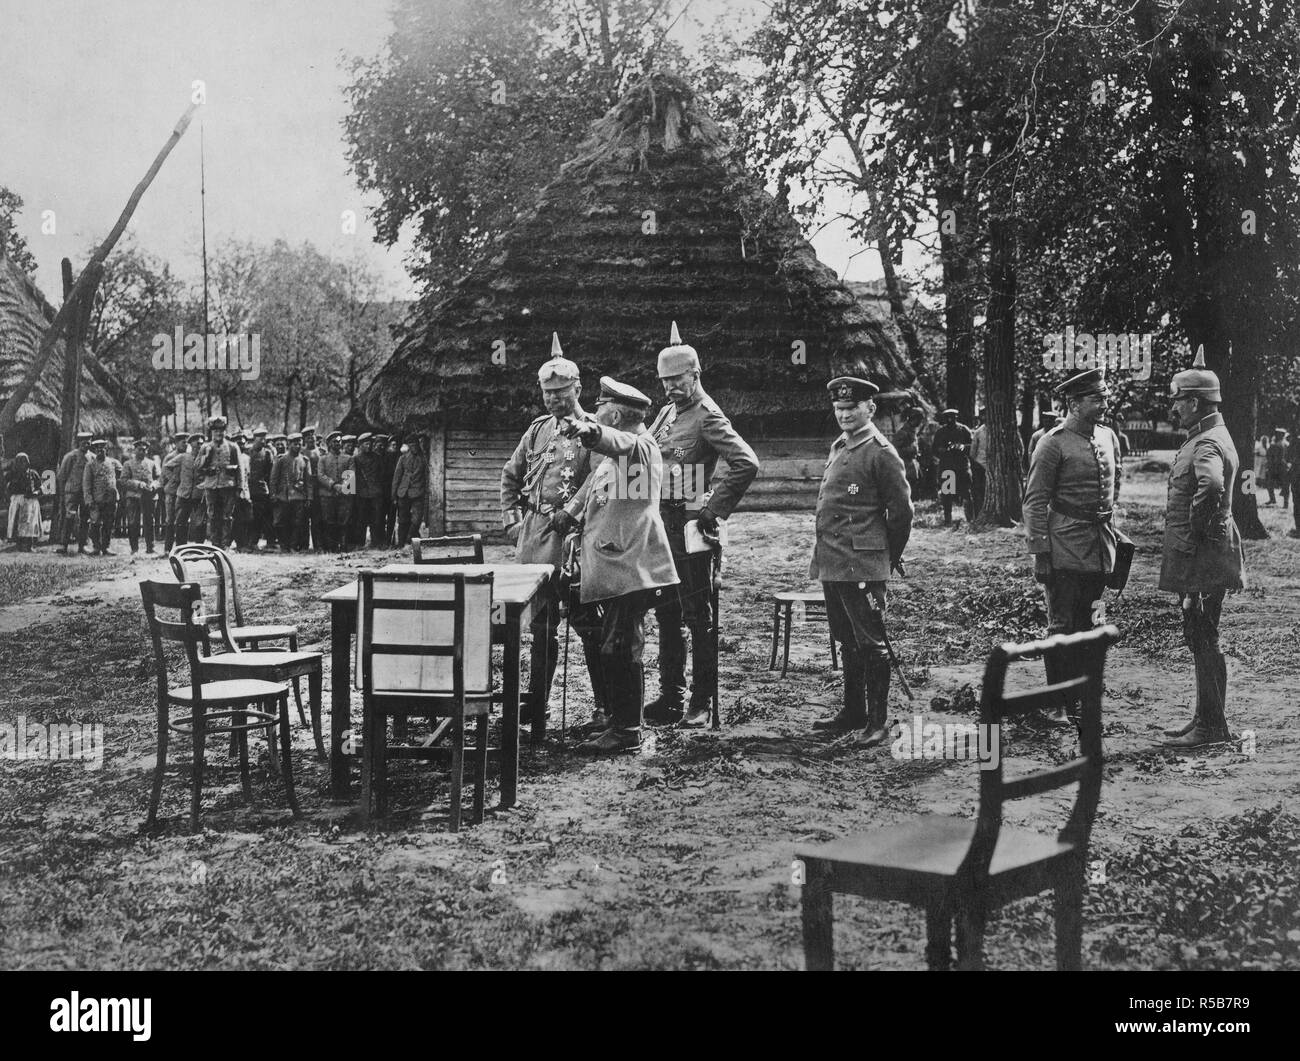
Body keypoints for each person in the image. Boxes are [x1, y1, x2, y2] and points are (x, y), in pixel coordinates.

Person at [644, 323, 760, 727]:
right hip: (662, 527)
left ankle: (701, 702)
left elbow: (746, 462)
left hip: (692, 527)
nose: (672, 387)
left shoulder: (708, 415)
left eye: (678, 379)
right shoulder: (664, 414)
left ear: (696, 375)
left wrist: (713, 510)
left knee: (698, 617)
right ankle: (670, 697)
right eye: (665, 381)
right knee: (666, 614)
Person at [557, 376, 680, 755]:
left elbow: (616, 440)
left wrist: (589, 431)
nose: (596, 413)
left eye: (600, 410)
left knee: (621, 647)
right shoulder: (618, 459)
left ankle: (627, 731)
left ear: (614, 413)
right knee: (615, 645)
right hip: (617, 565)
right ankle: (620, 722)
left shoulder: (639, 447)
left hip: (633, 567)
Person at [500, 337, 603, 728]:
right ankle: (536, 702)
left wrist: (573, 511)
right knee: (540, 629)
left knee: (589, 626)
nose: (554, 401)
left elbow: (598, 476)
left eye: (561, 393)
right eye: (548, 394)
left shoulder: (594, 429)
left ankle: (603, 706)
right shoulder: (537, 431)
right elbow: (510, 475)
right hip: (536, 537)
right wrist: (512, 521)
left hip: (576, 541)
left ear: (578, 389)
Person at [808, 377, 913, 745]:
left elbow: (901, 512)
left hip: (862, 564)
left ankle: (878, 723)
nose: (844, 414)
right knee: (846, 638)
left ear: (870, 408)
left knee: (870, 642)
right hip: (833, 561)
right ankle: (852, 712)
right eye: (839, 409)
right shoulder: (839, 446)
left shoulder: (881, 451)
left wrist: (885, 557)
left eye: (852, 408)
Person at [1022, 369, 1123, 726]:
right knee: (1061, 625)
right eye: (1096, 399)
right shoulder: (1053, 443)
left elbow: (1116, 485)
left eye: (1105, 397)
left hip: (1099, 548)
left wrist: (1110, 530)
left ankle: (1079, 699)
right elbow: (1034, 501)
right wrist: (1041, 552)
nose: (1104, 404)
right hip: (1063, 547)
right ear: (1074, 404)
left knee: (1090, 624)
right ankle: (1055, 704)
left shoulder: (1110, 437)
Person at [1161, 350, 1244, 748]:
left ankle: (1211, 727)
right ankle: (1205, 718)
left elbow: (1210, 488)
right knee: (1201, 633)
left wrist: (1193, 532)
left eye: (1178, 401)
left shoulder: (1207, 442)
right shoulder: (1210, 435)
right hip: (1209, 553)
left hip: (1203, 556)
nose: (1174, 409)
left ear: (1194, 402)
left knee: (1203, 633)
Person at [196, 415, 241, 549]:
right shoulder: (205, 447)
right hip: (211, 486)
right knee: (213, 516)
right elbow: (197, 466)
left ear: (225, 431)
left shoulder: (233, 447)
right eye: (215, 431)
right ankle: (215, 544)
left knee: (227, 516)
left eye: (221, 430)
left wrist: (240, 488)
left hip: (228, 486)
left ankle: (225, 544)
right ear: (211, 432)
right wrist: (206, 456)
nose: (218, 433)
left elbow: (240, 469)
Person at [933, 408, 973, 525]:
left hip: (962, 467)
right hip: (947, 467)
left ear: (956, 417)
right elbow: (934, 449)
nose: (950, 419)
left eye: (953, 417)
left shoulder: (964, 430)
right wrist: (944, 450)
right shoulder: (941, 432)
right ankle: (948, 520)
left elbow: (972, 445)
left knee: (966, 493)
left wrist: (962, 447)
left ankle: (970, 519)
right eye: (948, 417)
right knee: (947, 495)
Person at [82, 439, 122, 556]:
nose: (100, 451)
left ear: (106, 450)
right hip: (96, 500)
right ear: (95, 450)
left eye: (103, 448)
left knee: (108, 523)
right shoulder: (90, 465)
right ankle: (96, 547)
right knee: (95, 524)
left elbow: (121, 474)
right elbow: (86, 484)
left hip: (110, 499)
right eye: (98, 449)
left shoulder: (113, 463)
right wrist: (89, 499)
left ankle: (106, 547)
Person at [55, 431, 93, 555]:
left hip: (86, 492)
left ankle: (82, 545)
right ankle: (63, 544)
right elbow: (61, 476)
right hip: (72, 491)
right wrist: (62, 493)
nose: (85, 444)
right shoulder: (71, 456)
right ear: (78, 442)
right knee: (69, 517)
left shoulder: (92, 457)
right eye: (83, 441)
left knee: (85, 518)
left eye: (88, 441)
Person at [270, 433, 309, 552]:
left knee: (297, 523)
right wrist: (273, 494)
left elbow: (309, 480)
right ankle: (284, 545)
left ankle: (293, 545)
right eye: (294, 444)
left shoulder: (304, 460)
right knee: (281, 522)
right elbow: (274, 478)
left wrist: (309, 497)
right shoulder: (282, 460)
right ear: (289, 445)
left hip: (299, 496)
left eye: (299, 444)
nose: (297, 446)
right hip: (283, 496)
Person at [317, 430, 354, 552]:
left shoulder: (348, 458)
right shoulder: (323, 459)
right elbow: (320, 475)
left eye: (339, 441)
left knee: (344, 521)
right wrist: (333, 485)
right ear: (329, 444)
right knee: (329, 521)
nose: (337, 444)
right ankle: (331, 547)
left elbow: (350, 474)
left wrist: (343, 486)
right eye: (334, 442)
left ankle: (343, 546)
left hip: (344, 495)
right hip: (327, 495)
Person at [121, 438, 160, 555]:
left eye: (144, 450)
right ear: (135, 450)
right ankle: (134, 549)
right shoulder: (128, 464)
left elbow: (159, 478)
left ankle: (150, 547)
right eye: (139, 450)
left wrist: (154, 485)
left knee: (149, 522)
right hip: (133, 496)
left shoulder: (152, 463)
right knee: (133, 522)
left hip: (149, 496)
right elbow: (123, 481)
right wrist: (138, 484)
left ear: (147, 451)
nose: (142, 452)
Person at [392, 434, 426, 548]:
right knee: (403, 519)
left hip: (418, 492)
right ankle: (401, 543)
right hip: (403, 492)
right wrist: (394, 495)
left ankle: (409, 538)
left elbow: (428, 475)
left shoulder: (424, 458)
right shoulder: (403, 458)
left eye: (416, 444)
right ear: (408, 446)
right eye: (411, 445)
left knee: (416, 519)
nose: (414, 447)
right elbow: (397, 477)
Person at [5, 452, 43, 550]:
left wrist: (36, 493)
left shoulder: (33, 474)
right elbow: (7, 488)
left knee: (30, 523)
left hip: (31, 502)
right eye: (20, 461)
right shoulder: (12, 474)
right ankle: (18, 544)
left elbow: (41, 488)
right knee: (18, 522)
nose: (23, 463)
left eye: (25, 461)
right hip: (17, 501)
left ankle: (30, 545)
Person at [352, 432, 383, 548]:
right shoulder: (356, 459)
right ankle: (360, 543)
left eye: (370, 444)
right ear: (360, 445)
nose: (368, 446)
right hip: (362, 493)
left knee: (376, 519)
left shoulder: (377, 458)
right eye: (366, 444)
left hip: (375, 493)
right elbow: (353, 476)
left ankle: (376, 542)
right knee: (361, 519)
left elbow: (381, 474)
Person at [247, 428, 274, 551]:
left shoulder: (267, 453)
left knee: (266, 517)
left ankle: (269, 542)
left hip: (263, 490)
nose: (263, 441)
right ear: (254, 439)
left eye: (264, 438)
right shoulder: (248, 452)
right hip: (249, 490)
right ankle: (252, 542)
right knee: (252, 518)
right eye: (260, 438)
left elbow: (270, 473)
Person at [160, 433, 187, 553]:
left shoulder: (188, 456)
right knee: (170, 520)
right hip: (172, 492)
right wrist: (174, 478)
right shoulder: (170, 456)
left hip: (184, 492)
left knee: (182, 520)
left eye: (186, 442)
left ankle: (182, 548)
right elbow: (165, 470)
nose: (185, 444)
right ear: (176, 443)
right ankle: (168, 549)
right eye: (182, 442)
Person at [893, 408, 924, 494]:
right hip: (904, 465)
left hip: (912, 464)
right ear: (914, 419)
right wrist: (911, 450)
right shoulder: (903, 433)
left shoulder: (912, 431)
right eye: (919, 420)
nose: (920, 423)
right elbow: (894, 450)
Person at [1263, 428, 1290, 508]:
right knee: (1285, 485)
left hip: (1276, 467)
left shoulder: (1275, 444)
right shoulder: (1287, 444)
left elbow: (1269, 456)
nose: (1277, 435)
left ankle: (1273, 499)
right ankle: (1285, 503)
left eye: (1278, 434)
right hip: (1283, 467)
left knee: (1270, 483)